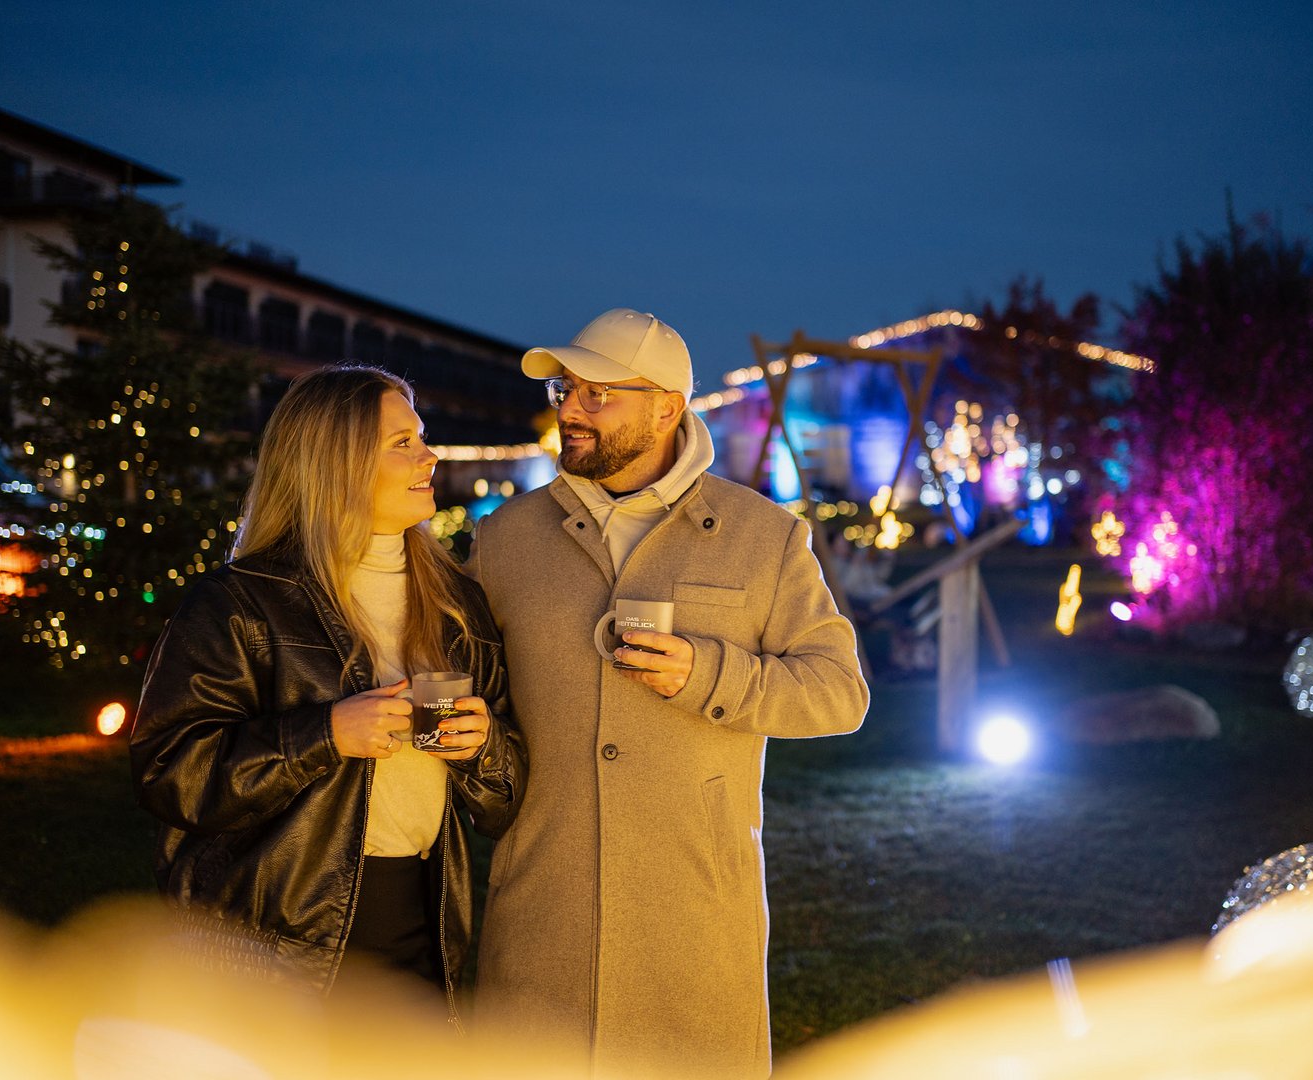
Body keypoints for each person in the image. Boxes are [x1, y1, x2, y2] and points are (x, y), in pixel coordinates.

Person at [466, 309, 869, 1076]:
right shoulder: (503, 540)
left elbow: (838, 693)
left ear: (667, 408)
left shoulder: (765, 536)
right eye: (566, 388)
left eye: (598, 393)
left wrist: (705, 674)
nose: (571, 408)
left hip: (694, 931)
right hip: (542, 928)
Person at [130, 364, 526, 1021]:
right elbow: (173, 773)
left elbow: (501, 805)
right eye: (403, 443)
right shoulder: (242, 604)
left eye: (422, 438)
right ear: (333, 459)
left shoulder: (456, 605)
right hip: (277, 941)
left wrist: (481, 748)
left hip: (422, 921)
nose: (430, 456)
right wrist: (326, 734)